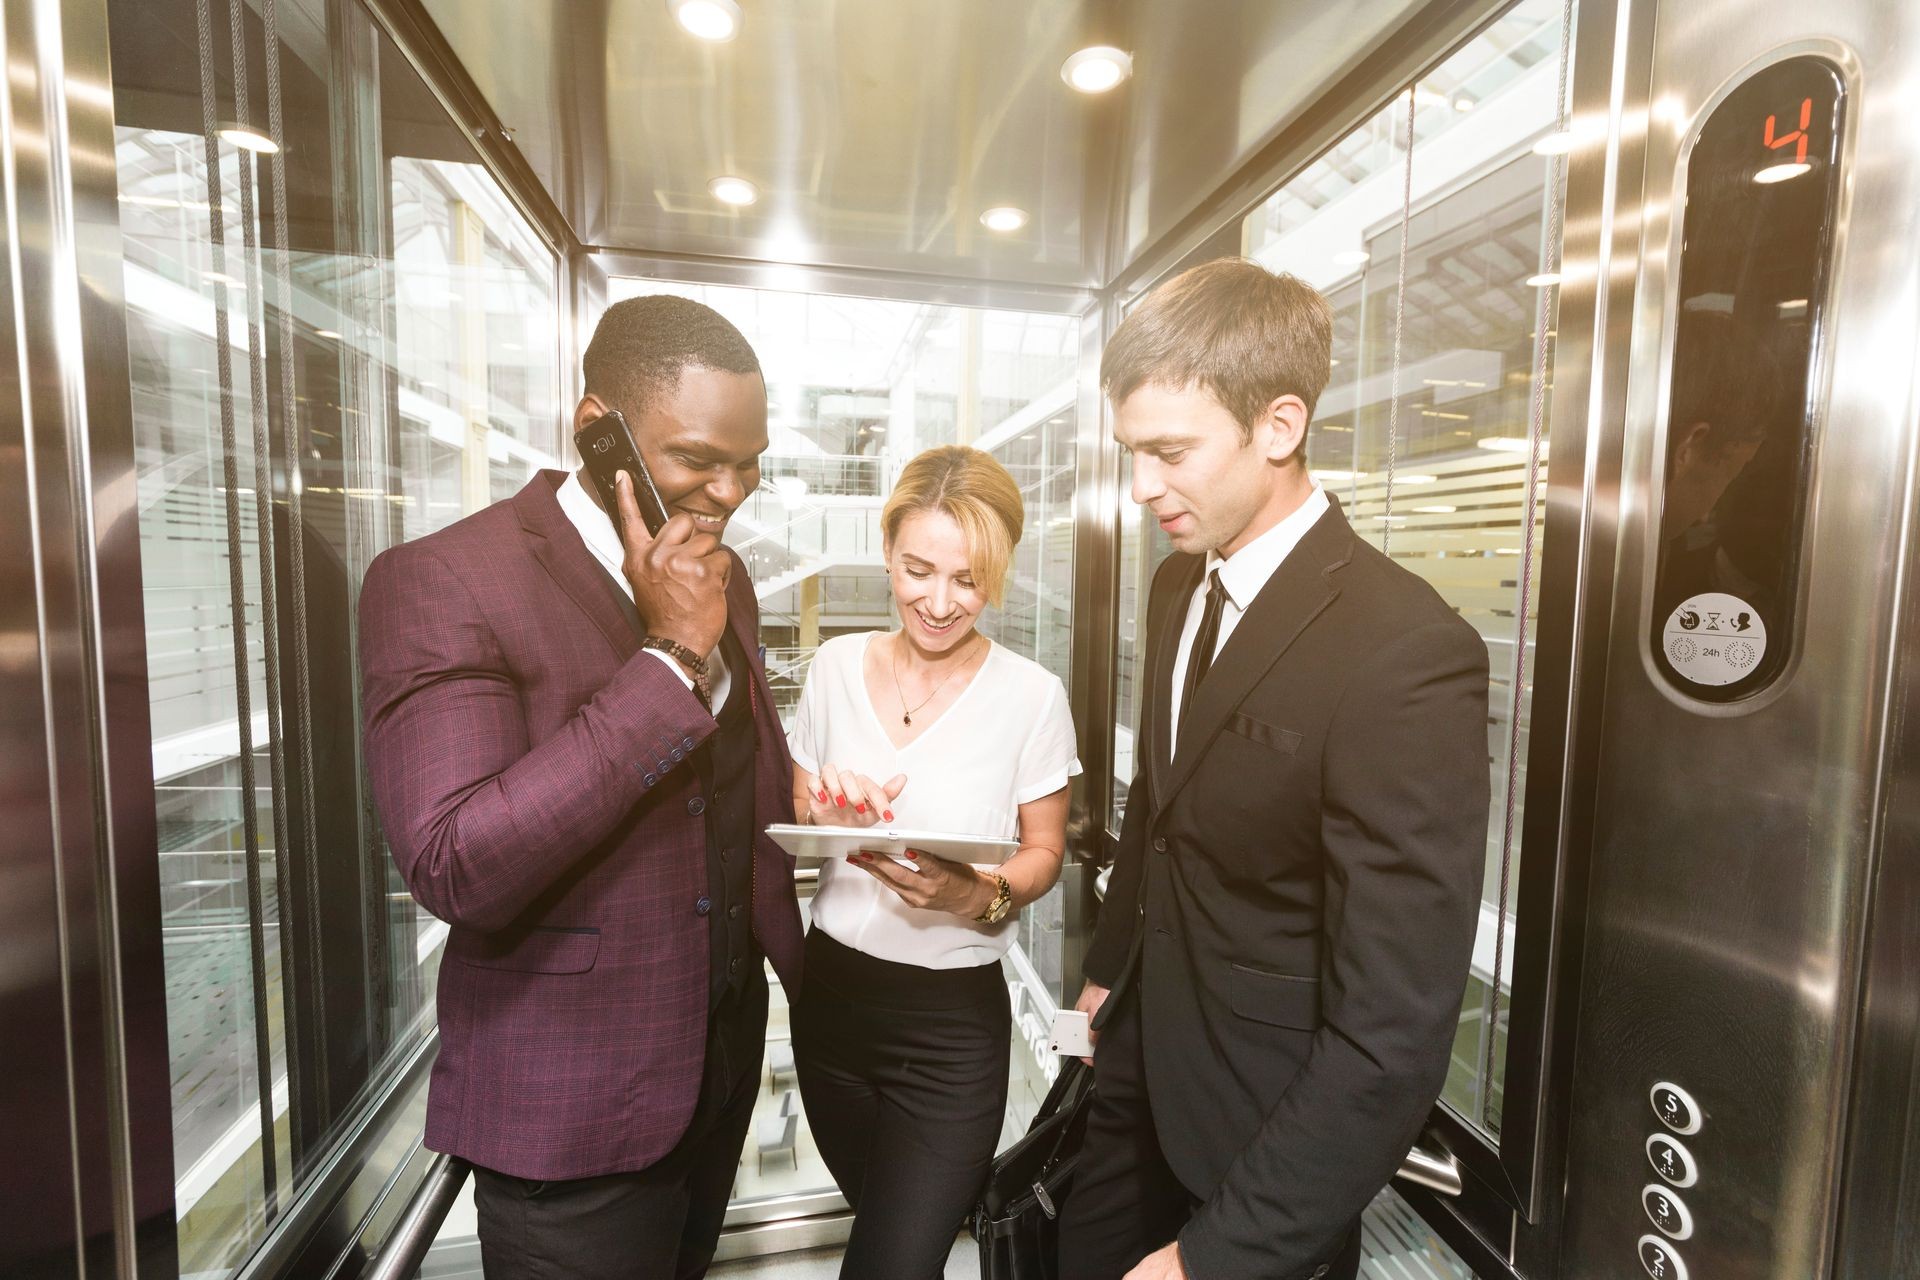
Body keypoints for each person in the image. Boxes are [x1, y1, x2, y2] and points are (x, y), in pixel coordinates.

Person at [1055, 258, 1491, 1280]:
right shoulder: (1175, 586)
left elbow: (1392, 1031)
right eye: (1132, 452)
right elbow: (1159, 807)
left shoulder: (1404, 650)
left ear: (1280, 426)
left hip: (1263, 1151)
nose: (1142, 486)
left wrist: (1215, 1256)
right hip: (1133, 1087)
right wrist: (1103, 977)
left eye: (1170, 451)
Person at [358, 296, 805, 1279]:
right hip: (571, 1110)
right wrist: (671, 657)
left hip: (717, 1065)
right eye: (698, 458)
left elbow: (732, 787)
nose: (731, 491)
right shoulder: (443, 580)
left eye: (751, 459)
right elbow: (453, 860)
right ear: (599, 432)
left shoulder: (719, 574)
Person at [786, 445, 1080, 1279]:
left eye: (969, 580)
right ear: (887, 552)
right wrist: (827, 812)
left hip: (950, 1031)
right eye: (918, 570)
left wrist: (974, 894)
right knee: (881, 1225)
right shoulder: (836, 667)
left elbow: (1045, 851)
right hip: (829, 1004)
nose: (941, 602)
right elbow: (800, 811)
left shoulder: (1031, 696)